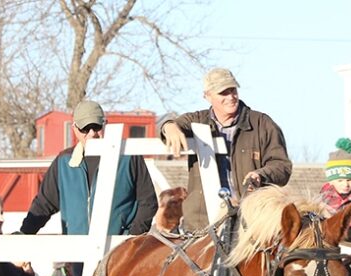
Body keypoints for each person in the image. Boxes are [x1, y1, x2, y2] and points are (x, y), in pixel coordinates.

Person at [160, 67, 292, 231]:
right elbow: (172, 125)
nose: (231, 97)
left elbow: (282, 166)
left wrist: (261, 174)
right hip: (202, 223)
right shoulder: (196, 121)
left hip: (251, 220)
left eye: (233, 90)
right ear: (207, 96)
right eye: (223, 93)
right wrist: (169, 126)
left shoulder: (263, 124)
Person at [19, 100, 159, 253]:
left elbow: (148, 201)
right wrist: (23, 235)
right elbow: (43, 205)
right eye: (85, 128)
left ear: (105, 124)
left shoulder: (128, 157)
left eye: (96, 126)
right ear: (75, 129)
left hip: (119, 253)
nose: (92, 133)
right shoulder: (63, 162)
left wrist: (131, 238)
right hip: (77, 252)